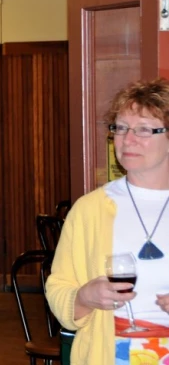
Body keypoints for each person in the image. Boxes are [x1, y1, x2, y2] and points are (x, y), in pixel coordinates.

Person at [46, 78, 169, 365]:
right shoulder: (89, 210)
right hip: (109, 353)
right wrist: (83, 297)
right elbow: (58, 287)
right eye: (121, 128)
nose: (128, 139)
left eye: (143, 129)